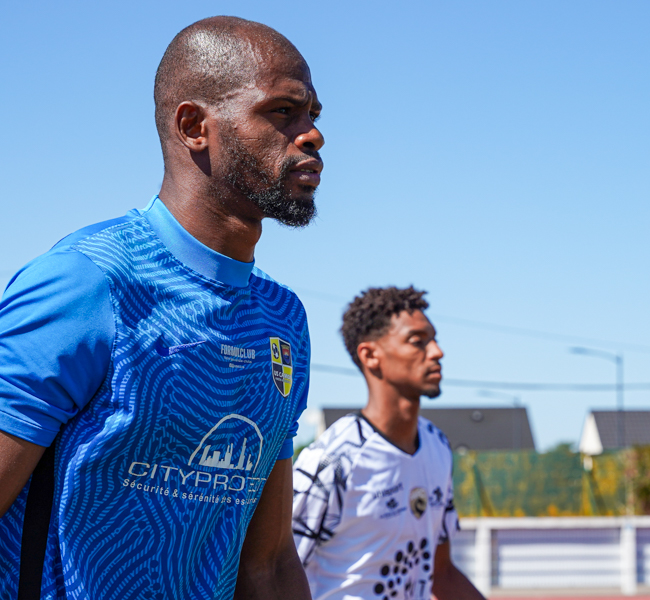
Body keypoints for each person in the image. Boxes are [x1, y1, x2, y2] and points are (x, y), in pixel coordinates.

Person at [0, 16, 322, 600]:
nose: (312, 135)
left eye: (313, 115)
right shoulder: (88, 282)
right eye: (283, 111)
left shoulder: (283, 320)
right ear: (195, 126)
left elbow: (269, 564)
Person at [292, 286, 486, 600]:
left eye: (434, 339)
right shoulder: (332, 461)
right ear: (370, 356)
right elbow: (274, 571)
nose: (437, 352)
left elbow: (442, 573)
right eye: (418, 341)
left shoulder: (437, 446)